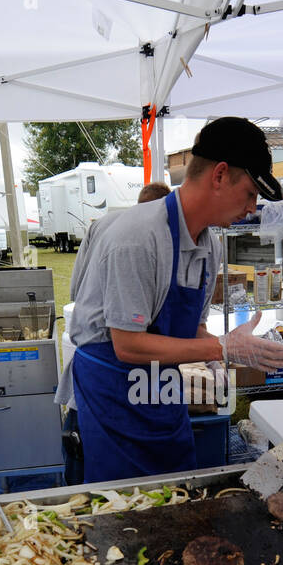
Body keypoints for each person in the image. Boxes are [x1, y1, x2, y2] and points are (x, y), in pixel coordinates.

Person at [56, 116, 283, 483]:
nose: (252, 208)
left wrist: (238, 346)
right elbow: (129, 345)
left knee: (179, 481)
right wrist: (221, 350)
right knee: (123, 500)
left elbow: (190, 332)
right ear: (219, 175)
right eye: (249, 193)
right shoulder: (137, 238)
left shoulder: (208, 245)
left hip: (160, 383)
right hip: (111, 386)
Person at [61, 177, 173, 485]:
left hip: (142, 364)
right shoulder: (131, 233)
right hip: (106, 358)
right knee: (95, 449)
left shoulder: (106, 224)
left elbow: (76, 287)